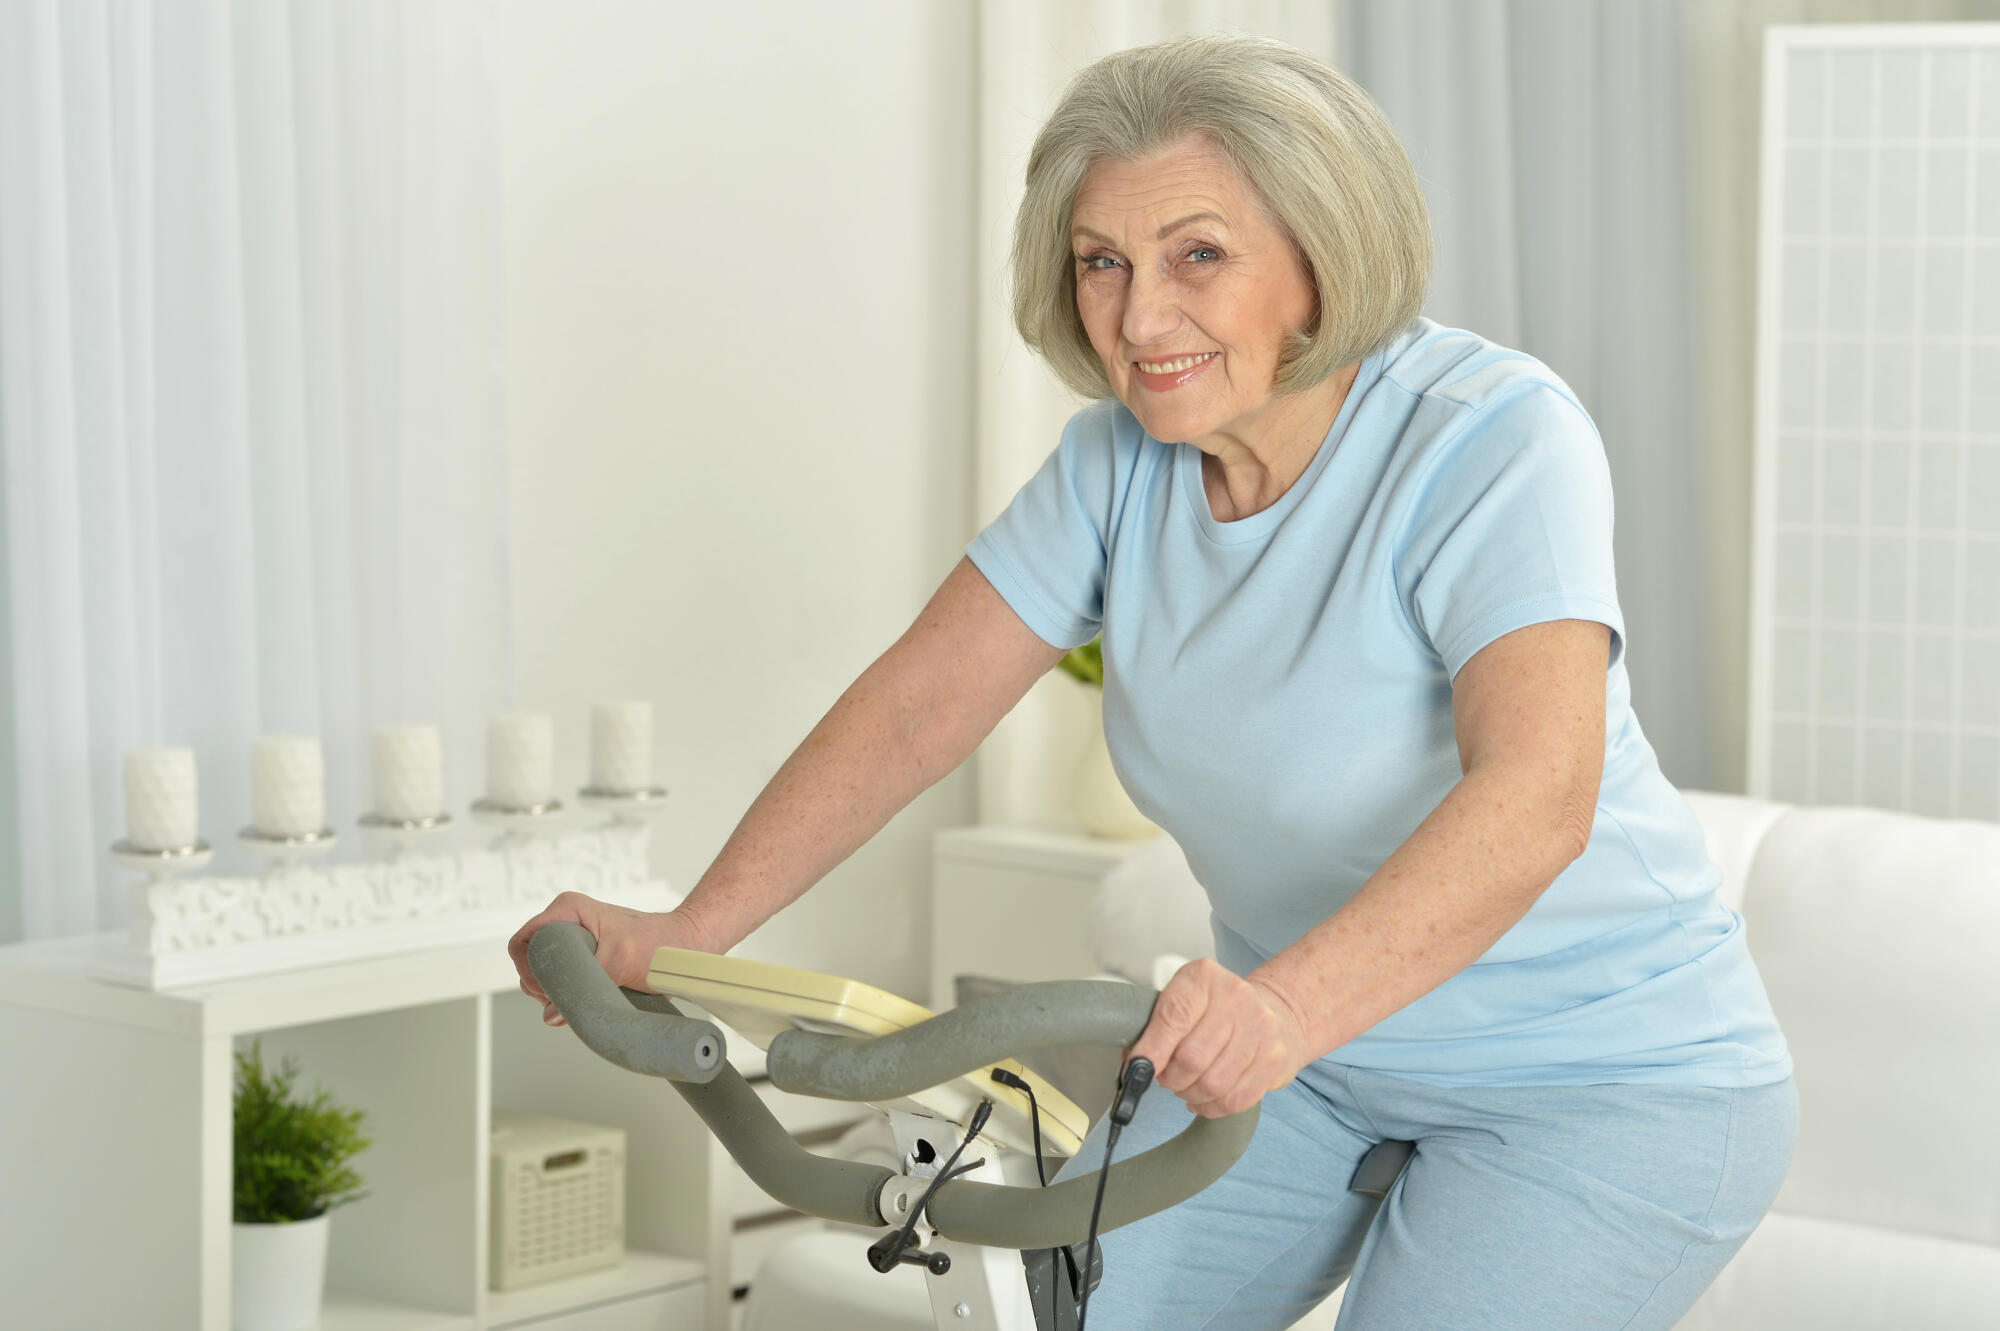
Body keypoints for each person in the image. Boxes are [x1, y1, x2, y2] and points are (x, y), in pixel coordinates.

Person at [510, 32, 1796, 1330]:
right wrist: (696, 930)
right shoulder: (1114, 469)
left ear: (1320, 258)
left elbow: (1537, 796)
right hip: (1316, 1066)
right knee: (1063, 1318)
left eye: (1198, 255)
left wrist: (1282, 1010)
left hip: (1610, 1080)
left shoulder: (1488, 438)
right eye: (1101, 263)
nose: (1138, 316)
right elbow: (917, 713)